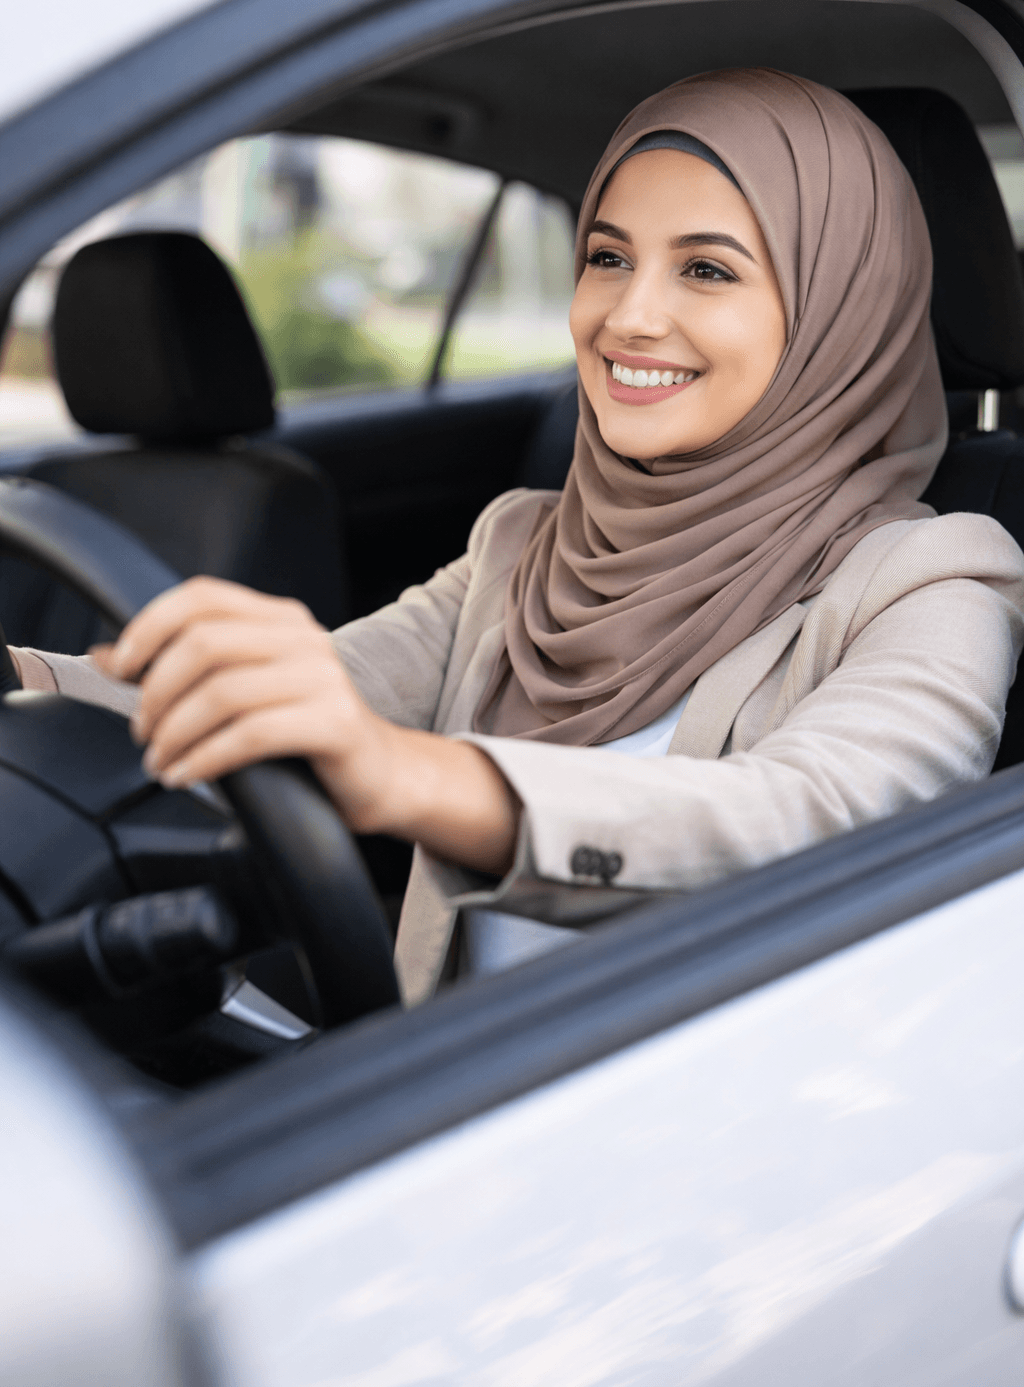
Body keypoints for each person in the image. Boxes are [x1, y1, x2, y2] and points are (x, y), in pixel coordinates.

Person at [10, 69, 1024, 1005]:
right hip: (463, 1084)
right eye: (607, 256)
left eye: (707, 271)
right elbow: (309, 690)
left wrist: (412, 776)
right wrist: (29, 678)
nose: (628, 315)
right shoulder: (524, 543)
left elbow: (808, 823)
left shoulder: (935, 582)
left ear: (834, 316)